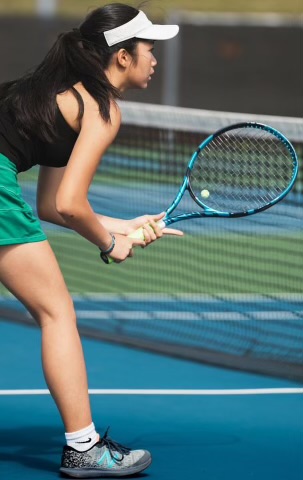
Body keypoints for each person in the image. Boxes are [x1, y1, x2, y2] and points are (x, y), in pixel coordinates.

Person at [0, 3, 182, 478]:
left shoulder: (57, 94)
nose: (155, 58)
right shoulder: (102, 108)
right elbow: (73, 206)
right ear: (122, 56)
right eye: (149, 48)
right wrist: (108, 244)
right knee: (56, 312)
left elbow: (54, 205)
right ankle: (84, 448)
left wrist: (122, 226)